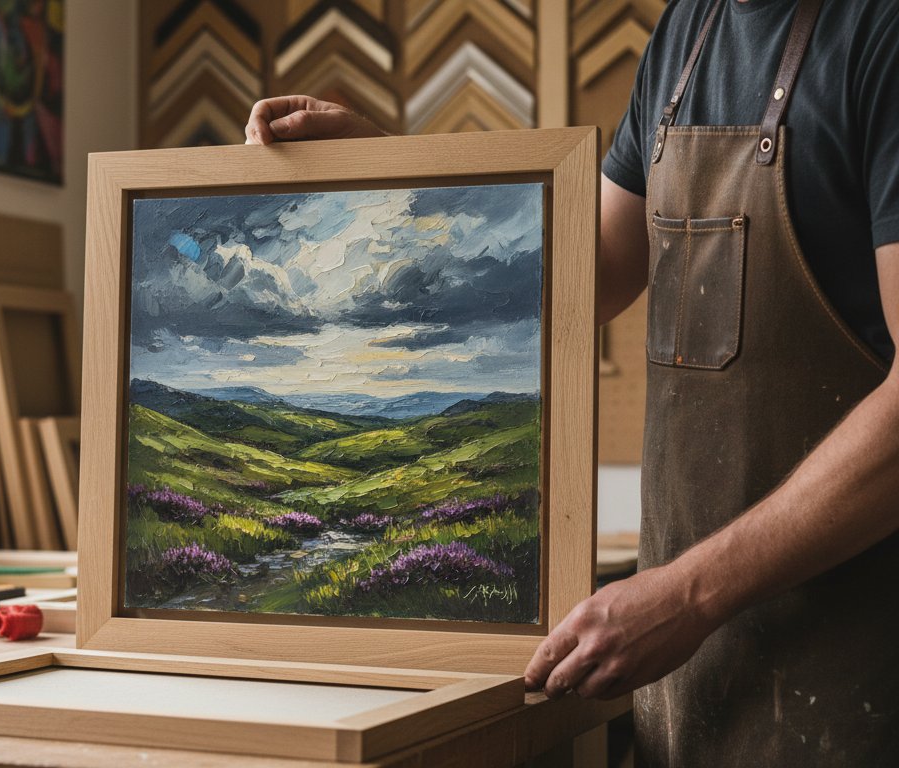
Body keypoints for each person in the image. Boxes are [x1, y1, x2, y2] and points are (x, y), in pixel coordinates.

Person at [244, 0, 899, 764]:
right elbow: (579, 272)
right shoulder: (690, 32)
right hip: (693, 670)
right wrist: (393, 173)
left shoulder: (880, 34)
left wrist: (689, 594)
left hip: (851, 674)